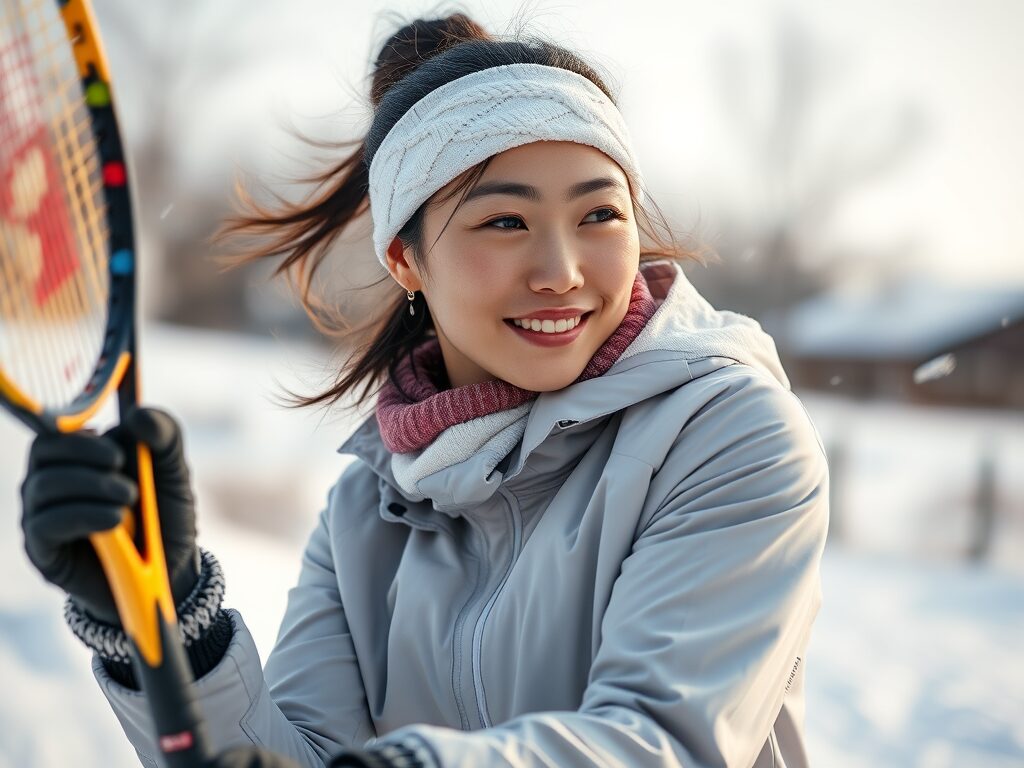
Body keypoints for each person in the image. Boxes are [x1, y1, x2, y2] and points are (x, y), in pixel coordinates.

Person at [19, 12, 830, 768]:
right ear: (405, 260)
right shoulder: (366, 512)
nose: (562, 272)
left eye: (600, 216)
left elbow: (663, 740)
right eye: (505, 222)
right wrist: (169, 626)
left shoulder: (729, 435)